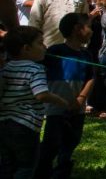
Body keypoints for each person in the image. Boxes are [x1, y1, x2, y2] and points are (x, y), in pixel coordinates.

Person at [0, 26, 69, 179]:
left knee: (7, 166)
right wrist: (62, 101)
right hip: (25, 126)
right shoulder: (35, 68)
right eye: (40, 43)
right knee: (26, 166)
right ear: (26, 48)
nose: (44, 47)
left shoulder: (5, 68)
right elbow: (41, 95)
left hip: (4, 124)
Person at [35, 13, 95, 178]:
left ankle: (62, 171)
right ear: (77, 29)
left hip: (78, 109)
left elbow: (91, 78)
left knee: (71, 141)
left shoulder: (87, 54)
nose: (92, 30)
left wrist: (81, 98)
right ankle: (42, 172)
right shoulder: (56, 51)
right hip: (56, 108)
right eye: (89, 26)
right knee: (51, 143)